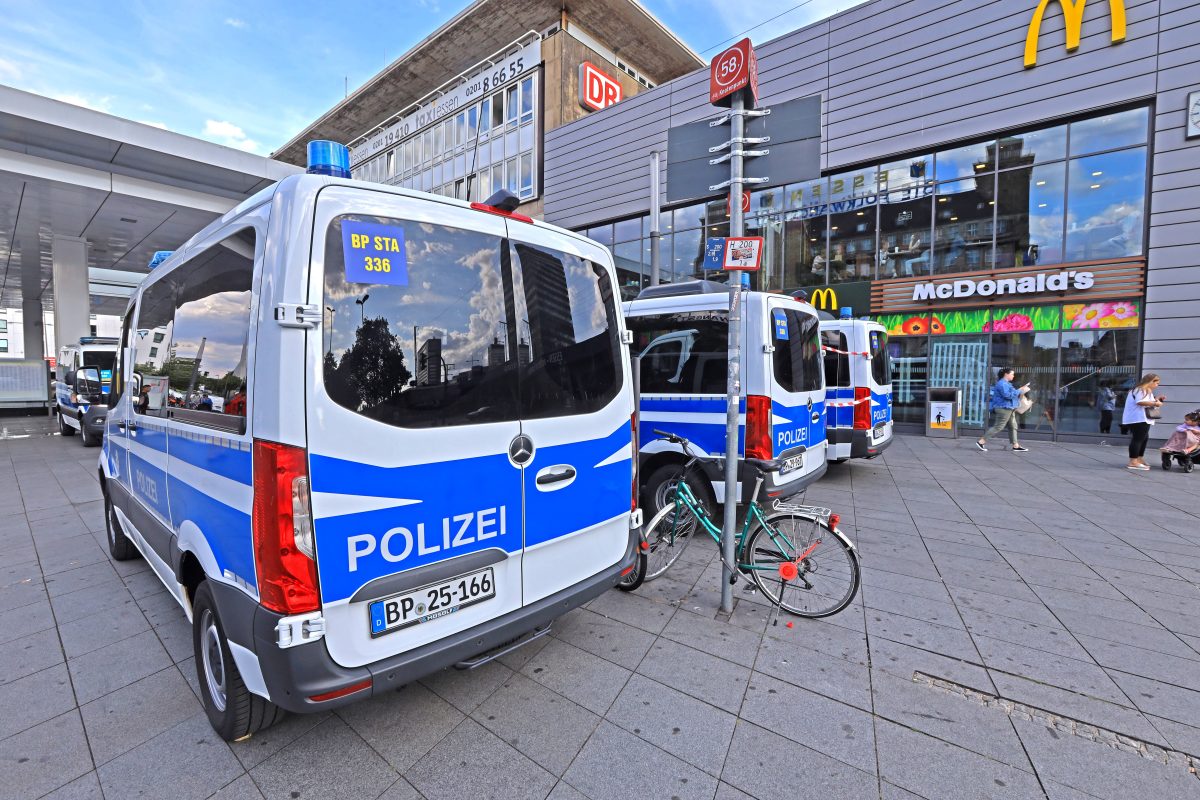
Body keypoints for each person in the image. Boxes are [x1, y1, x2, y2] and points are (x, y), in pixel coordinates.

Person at [976, 368, 1031, 452]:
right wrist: (1019, 390)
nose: (1013, 376)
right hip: (1004, 408)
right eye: (1012, 374)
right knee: (998, 426)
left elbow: (1013, 394)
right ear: (1006, 374)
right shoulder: (1002, 384)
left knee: (1013, 426)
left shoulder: (1006, 383)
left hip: (1009, 408)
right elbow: (1007, 395)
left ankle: (1015, 445)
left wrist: (1021, 390)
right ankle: (981, 441)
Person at [1122, 373, 1164, 470]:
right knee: (1138, 439)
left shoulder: (1145, 390)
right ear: (1150, 381)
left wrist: (1157, 400)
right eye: (1156, 383)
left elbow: (1148, 403)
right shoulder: (1140, 390)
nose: (1157, 385)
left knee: (1144, 438)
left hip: (1141, 418)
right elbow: (1140, 402)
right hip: (1137, 418)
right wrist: (1155, 402)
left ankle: (1139, 459)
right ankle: (1133, 462)